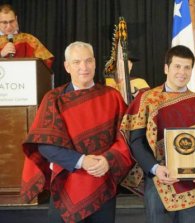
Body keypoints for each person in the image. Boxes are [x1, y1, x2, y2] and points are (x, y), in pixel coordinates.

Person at [20, 41, 134, 223]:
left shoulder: (112, 97)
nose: (84, 67)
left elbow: (127, 138)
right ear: (67, 66)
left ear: (95, 63)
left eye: (88, 61)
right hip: (65, 185)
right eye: (77, 62)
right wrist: (82, 161)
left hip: (102, 184)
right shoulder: (54, 99)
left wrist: (108, 159)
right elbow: (45, 145)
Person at [120, 45, 195, 223]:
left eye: (187, 67)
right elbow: (136, 141)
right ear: (166, 68)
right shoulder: (147, 99)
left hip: (194, 185)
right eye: (177, 66)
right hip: (159, 181)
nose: (182, 72)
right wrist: (155, 169)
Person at [0, 3, 54, 68]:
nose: (9, 26)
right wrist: (1, 54)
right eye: (4, 22)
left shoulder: (29, 39)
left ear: (16, 19)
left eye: (11, 21)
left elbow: (46, 62)